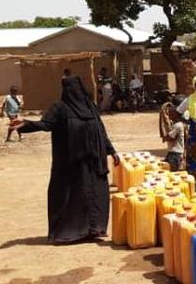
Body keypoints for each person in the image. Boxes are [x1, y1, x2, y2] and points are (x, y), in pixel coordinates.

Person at [16, 76, 120, 244]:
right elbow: (45, 124)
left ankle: (95, 229)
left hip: (93, 162)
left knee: (95, 196)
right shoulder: (59, 108)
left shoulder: (90, 107)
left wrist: (112, 151)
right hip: (72, 164)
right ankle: (71, 232)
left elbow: (101, 131)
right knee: (74, 197)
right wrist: (26, 124)